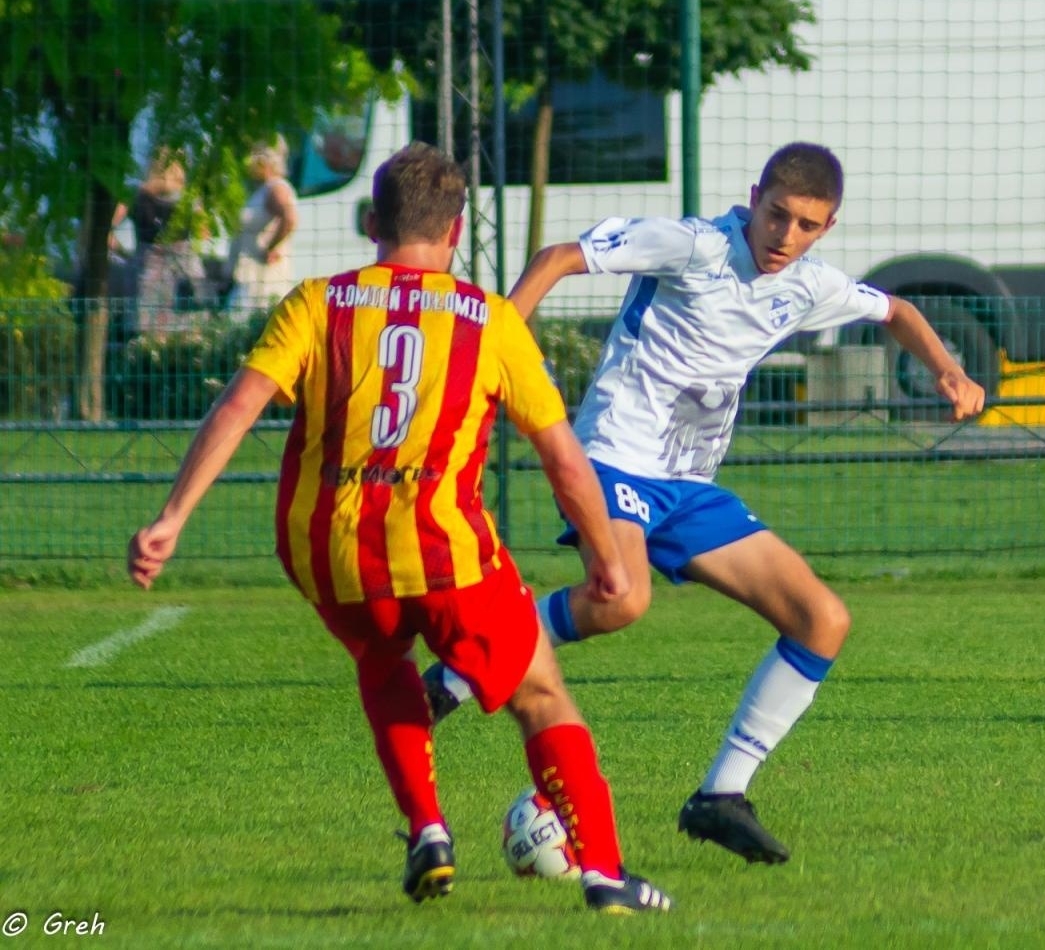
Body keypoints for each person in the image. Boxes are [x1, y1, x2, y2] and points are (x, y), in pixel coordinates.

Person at [127, 142, 671, 913]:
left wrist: (171, 517)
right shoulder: (488, 321)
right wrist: (607, 560)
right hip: (447, 557)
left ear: (372, 222)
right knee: (543, 694)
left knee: (380, 656)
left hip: (332, 556)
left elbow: (239, 405)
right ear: (454, 233)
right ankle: (606, 878)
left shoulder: (318, 303)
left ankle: (427, 830)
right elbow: (564, 460)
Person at [424, 142, 987, 864]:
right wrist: (494, 346)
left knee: (823, 620)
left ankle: (720, 796)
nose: (786, 236)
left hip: (689, 484)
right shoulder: (692, 246)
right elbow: (560, 257)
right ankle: (459, 669)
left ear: (828, 227)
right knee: (622, 600)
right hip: (615, 454)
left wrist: (949, 369)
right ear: (753, 197)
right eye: (777, 214)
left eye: (807, 225)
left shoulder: (807, 284)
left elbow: (898, 309)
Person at [111, 151, 213, 333]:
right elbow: (204, 234)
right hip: (185, 274)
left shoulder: (135, 194)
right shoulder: (190, 198)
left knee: (146, 337)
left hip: (147, 272)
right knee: (191, 335)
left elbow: (106, 230)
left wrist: (127, 256)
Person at [228, 137, 299, 310]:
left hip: (263, 281)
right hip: (249, 279)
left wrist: (271, 247)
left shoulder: (276, 188)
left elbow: (289, 218)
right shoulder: (261, 190)